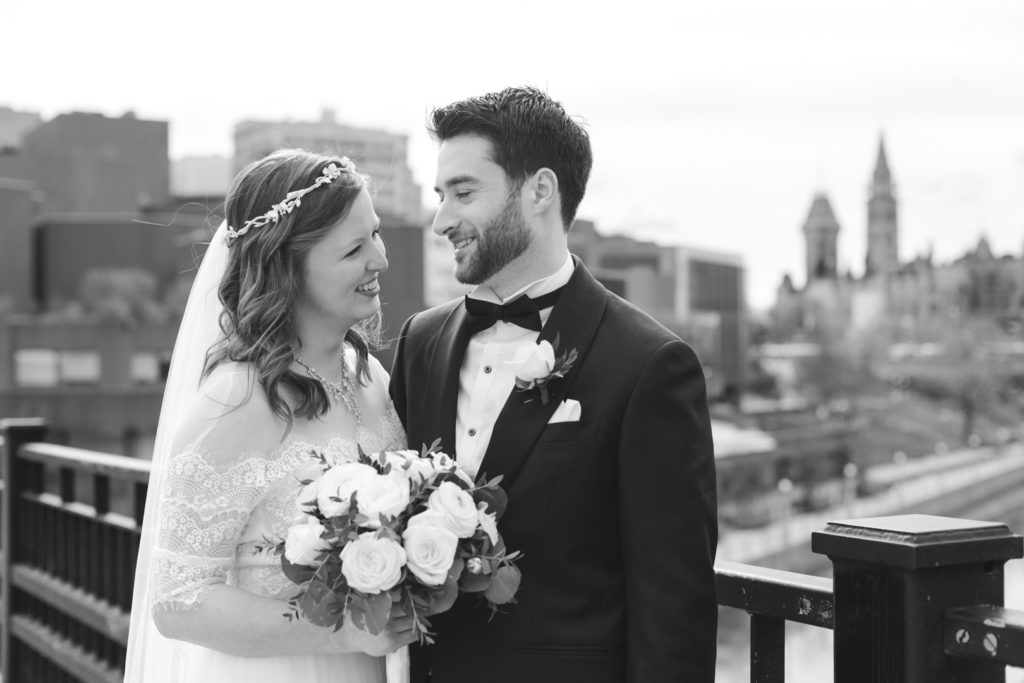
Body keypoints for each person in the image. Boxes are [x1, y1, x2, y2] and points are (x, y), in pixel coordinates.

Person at [390, 87, 718, 682]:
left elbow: (675, 608)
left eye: (463, 193)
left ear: (540, 191)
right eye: (441, 196)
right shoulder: (420, 342)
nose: (441, 220)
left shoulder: (650, 364)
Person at [124, 149, 415, 682]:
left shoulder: (369, 374)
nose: (380, 260)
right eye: (354, 249)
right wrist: (340, 630)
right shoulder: (237, 400)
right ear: (288, 267)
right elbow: (177, 600)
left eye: (375, 234)